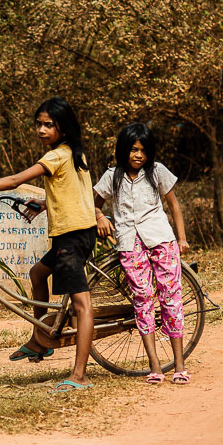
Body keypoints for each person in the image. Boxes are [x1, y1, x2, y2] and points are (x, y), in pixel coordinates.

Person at [0, 97, 97, 393]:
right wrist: (46, 203)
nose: (41, 130)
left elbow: (15, 180)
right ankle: (40, 340)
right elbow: (75, 194)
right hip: (76, 233)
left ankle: (80, 375)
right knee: (37, 274)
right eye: (38, 124)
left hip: (72, 237)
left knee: (82, 305)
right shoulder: (75, 153)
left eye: (49, 125)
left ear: (63, 128)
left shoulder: (56, 156)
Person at [93, 123, 191, 385]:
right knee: (143, 299)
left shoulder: (157, 171)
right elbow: (94, 204)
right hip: (130, 243)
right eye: (133, 149)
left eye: (144, 151)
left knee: (170, 297)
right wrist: (100, 216)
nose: (138, 155)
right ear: (123, 150)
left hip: (161, 239)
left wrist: (181, 238)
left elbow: (174, 205)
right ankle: (155, 366)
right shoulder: (111, 176)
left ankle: (180, 365)